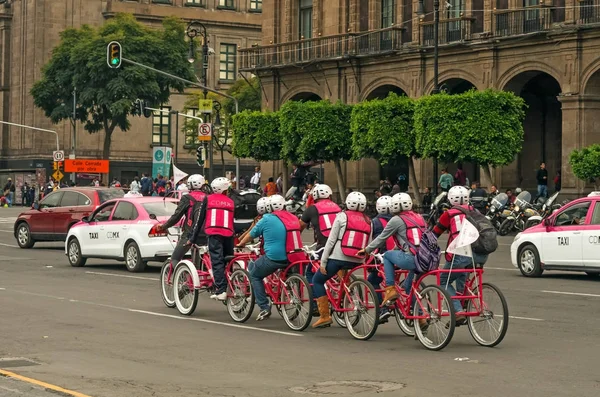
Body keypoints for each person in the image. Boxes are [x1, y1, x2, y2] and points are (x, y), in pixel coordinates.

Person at [358, 193, 428, 327]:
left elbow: (381, 238)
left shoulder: (396, 220)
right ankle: (420, 317)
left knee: (388, 255)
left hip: (411, 258)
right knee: (408, 287)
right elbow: (407, 240)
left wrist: (367, 250)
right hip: (426, 259)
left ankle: (390, 289)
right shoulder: (419, 217)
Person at [237, 195, 305, 321]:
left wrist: (240, 244)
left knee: (255, 274)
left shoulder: (266, 219)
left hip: (275, 257)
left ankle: (264, 307)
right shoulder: (293, 217)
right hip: (295, 256)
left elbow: (251, 234)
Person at [312, 192, 372, 329]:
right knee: (344, 277)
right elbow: (369, 243)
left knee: (318, 280)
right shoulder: (369, 220)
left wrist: (323, 262)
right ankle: (344, 298)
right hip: (358, 259)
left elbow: (331, 241)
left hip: (339, 257)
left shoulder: (342, 216)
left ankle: (324, 316)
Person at [432, 185, 488, 325]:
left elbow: (434, 234)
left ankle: (458, 311)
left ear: (450, 199)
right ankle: (463, 304)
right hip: (481, 254)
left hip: (461, 254)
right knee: (462, 277)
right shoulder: (474, 211)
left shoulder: (449, 214)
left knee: (444, 281)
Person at [188, 177, 236, 301]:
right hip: (229, 234)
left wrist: (193, 238)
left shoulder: (208, 199)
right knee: (228, 259)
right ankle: (233, 284)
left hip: (214, 233)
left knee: (217, 261)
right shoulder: (230, 201)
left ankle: (221, 290)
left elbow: (199, 220)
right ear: (225, 190)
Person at [156, 175, 207, 271]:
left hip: (190, 233)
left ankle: (182, 278)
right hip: (208, 233)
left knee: (175, 258)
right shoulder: (208, 197)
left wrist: (163, 226)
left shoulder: (187, 198)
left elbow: (176, 217)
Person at [364, 196, 396, 323]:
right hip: (398, 256)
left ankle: (383, 309)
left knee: (373, 280)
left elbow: (370, 241)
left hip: (382, 258)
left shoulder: (374, 222)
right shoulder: (397, 219)